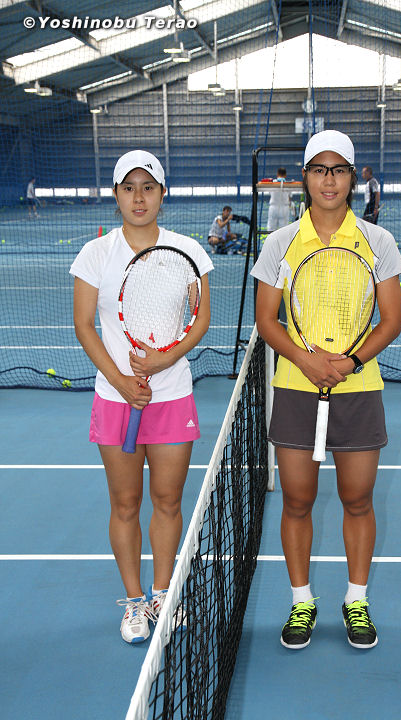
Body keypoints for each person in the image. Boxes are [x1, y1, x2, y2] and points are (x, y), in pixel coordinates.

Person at [251, 130, 401, 651]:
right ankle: (302, 602)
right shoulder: (280, 243)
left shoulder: (378, 242)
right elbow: (267, 320)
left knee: (357, 499)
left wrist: (350, 361)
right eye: (319, 169)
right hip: (296, 387)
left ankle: (355, 600)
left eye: (339, 170)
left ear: (352, 178)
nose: (329, 180)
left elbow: (391, 320)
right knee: (297, 500)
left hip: (359, 389)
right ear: (305, 177)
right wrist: (306, 360)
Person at [70, 150, 212, 644]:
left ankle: (162, 594)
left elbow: (200, 320)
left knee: (168, 501)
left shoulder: (188, 251)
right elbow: (84, 325)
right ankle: (133, 600)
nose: (138, 197)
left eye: (148, 187)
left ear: (162, 194)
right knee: (126, 503)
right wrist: (121, 380)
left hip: (171, 396)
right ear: (116, 195)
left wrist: (163, 360)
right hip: (116, 400)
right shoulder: (96, 254)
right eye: (128, 188)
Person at [267, 167, 292, 232]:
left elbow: (270, 193)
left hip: (273, 207)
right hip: (284, 208)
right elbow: (289, 198)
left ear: (277, 174)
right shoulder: (288, 184)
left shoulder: (272, 183)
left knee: (271, 229)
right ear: (285, 175)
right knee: (284, 230)